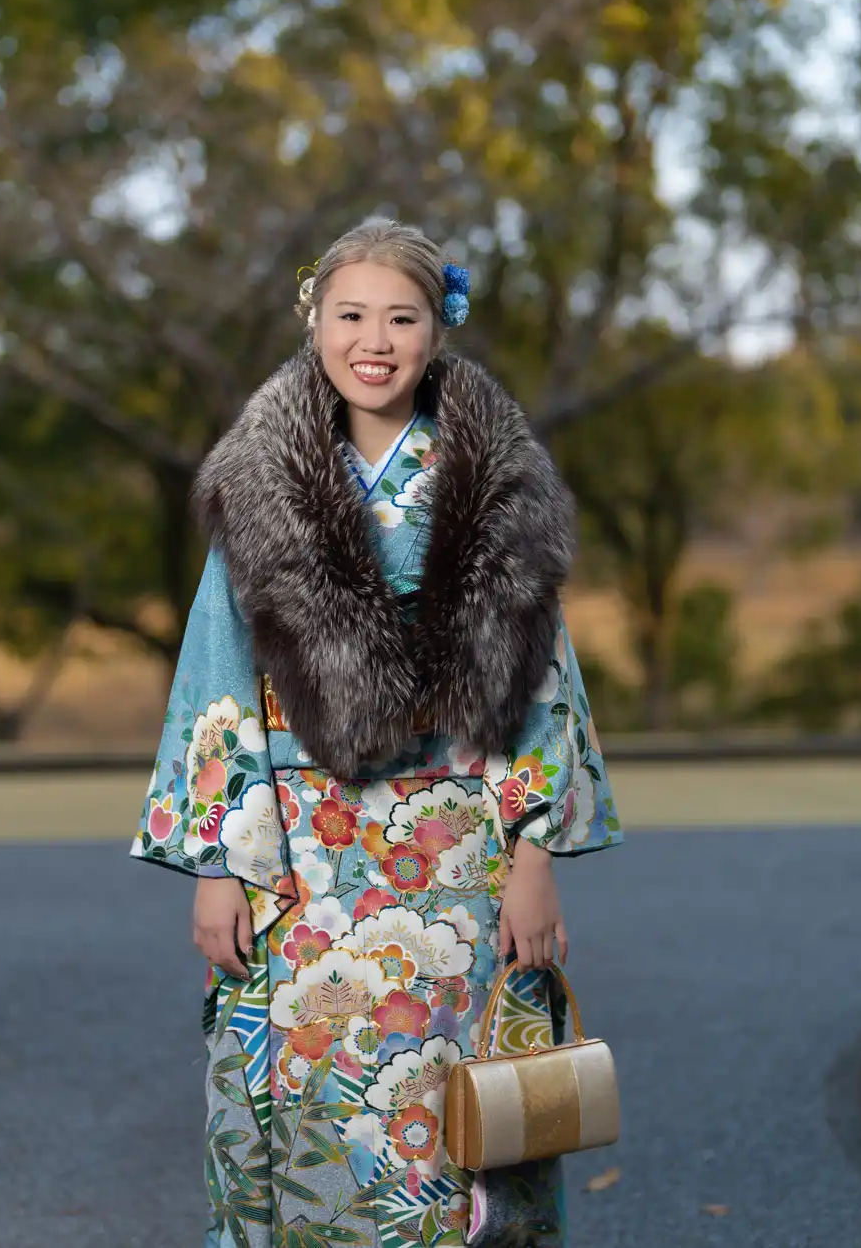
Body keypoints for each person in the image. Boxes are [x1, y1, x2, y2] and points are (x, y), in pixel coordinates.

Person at [131, 217, 622, 1247]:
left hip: (452, 855)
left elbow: (537, 675)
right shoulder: (259, 476)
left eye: (401, 318)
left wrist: (533, 853)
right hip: (295, 851)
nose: (374, 340)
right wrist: (219, 861)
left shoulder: (488, 479)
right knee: (301, 1099)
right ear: (313, 320)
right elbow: (217, 674)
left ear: (437, 329)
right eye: (350, 314)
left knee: (451, 1114)